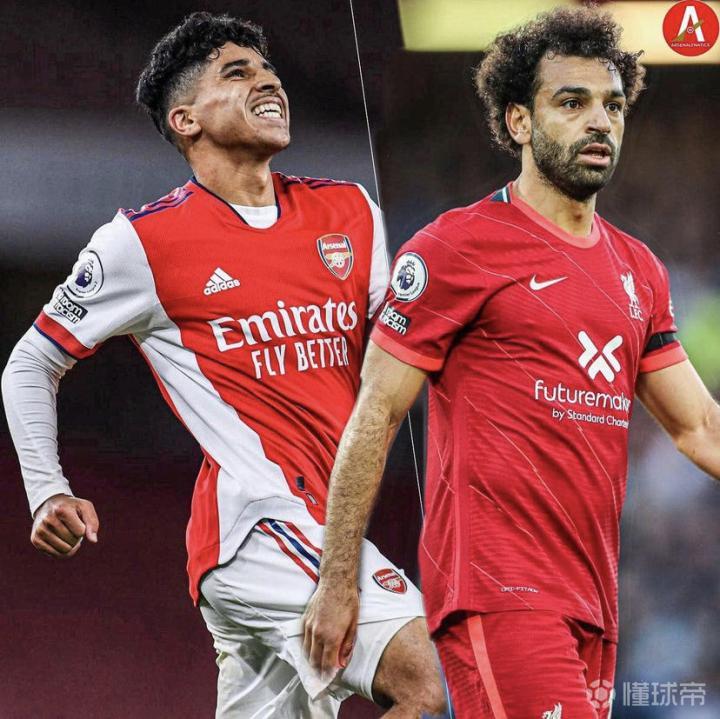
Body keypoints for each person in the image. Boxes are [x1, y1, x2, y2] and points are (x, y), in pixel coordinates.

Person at [1, 12, 446, 719]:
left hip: (323, 523)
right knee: (425, 683)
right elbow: (30, 361)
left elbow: (402, 352)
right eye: (237, 74)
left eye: (269, 71)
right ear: (186, 120)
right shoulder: (141, 242)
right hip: (259, 521)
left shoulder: (350, 212)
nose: (268, 82)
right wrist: (47, 489)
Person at [302, 7, 720, 718]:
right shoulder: (455, 248)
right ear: (519, 121)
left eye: (613, 105)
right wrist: (337, 580)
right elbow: (377, 409)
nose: (600, 121)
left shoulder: (639, 271)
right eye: (572, 102)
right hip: (497, 592)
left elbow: (699, 427)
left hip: (592, 603)